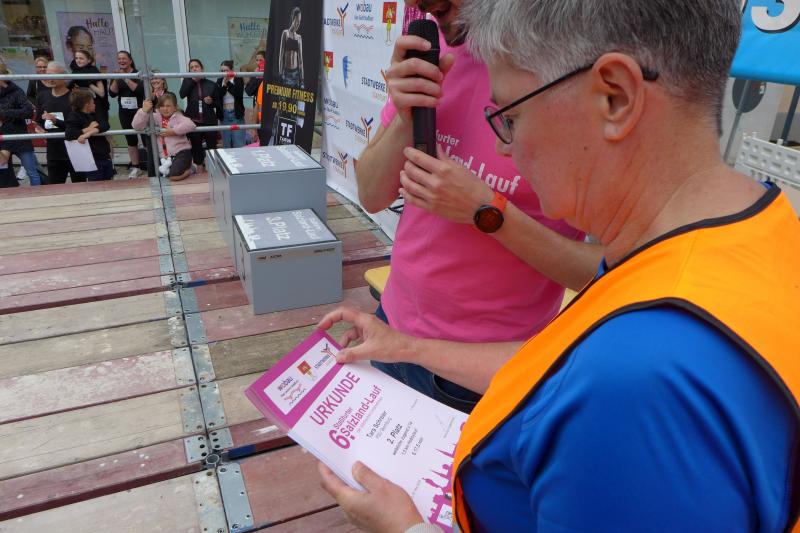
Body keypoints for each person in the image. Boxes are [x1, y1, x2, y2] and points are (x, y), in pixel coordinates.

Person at [317, 0, 800, 531]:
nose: (504, 151)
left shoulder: (630, 385)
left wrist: (406, 529)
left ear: (615, 96)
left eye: (511, 117)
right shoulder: (755, 224)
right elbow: (559, 361)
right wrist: (405, 346)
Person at [352, 0, 597, 413]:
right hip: (391, 328)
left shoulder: (571, 67)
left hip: (480, 370)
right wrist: (405, 119)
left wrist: (486, 212)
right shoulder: (434, 49)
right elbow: (371, 195)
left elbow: (610, 271)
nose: (414, 3)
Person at [34, 61, 80, 184]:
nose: (51, 79)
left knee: (80, 187)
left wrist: (56, 120)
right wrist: (39, 129)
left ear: (64, 76)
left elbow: (78, 125)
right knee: (54, 187)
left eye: (54, 75)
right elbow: (38, 121)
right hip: (54, 151)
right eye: (48, 75)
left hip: (75, 149)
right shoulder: (42, 96)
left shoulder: (75, 97)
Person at [133, 92, 195, 182]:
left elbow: (191, 125)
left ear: (175, 107)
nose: (165, 109)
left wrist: (173, 131)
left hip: (181, 152)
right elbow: (136, 126)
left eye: (168, 106)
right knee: (165, 176)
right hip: (165, 157)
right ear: (158, 107)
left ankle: (191, 169)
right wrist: (143, 111)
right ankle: (186, 168)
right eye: (162, 106)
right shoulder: (154, 117)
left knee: (173, 176)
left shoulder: (178, 116)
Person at [0, 64, 42, 186]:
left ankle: (38, 194)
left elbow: (28, 111)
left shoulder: (16, 91)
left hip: (18, 135)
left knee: (32, 172)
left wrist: (4, 113)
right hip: (3, 136)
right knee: (3, 170)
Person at [109, 50, 145, 179]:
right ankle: (136, 167)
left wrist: (125, 78)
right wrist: (115, 79)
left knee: (146, 138)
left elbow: (140, 90)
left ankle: (153, 163)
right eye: (119, 59)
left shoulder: (137, 74)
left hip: (139, 111)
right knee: (130, 139)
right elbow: (112, 93)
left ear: (130, 60)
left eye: (124, 58)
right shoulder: (117, 75)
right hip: (124, 112)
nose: (121, 61)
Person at [179, 58, 220, 173]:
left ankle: (213, 170)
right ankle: (200, 171)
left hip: (209, 120)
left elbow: (218, 103)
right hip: (193, 120)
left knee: (212, 146)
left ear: (202, 69)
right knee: (196, 147)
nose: (194, 69)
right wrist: (192, 80)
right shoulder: (187, 81)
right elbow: (182, 94)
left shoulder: (211, 84)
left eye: (196, 66)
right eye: (191, 67)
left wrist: (211, 102)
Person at [64, 87, 112, 181]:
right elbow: (69, 134)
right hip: (91, 158)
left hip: (104, 155)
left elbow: (105, 125)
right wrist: (87, 129)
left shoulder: (94, 114)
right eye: (93, 102)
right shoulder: (74, 116)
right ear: (87, 104)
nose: (95, 104)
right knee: (95, 184)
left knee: (108, 182)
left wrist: (89, 133)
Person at [68, 49, 109, 122]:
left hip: (96, 106)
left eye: (81, 58)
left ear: (89, 60)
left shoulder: (93, 71)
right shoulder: (75, 71)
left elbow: (101, 93)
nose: (78, 60)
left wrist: (88, 83)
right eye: (76, 58)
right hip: (81, 106)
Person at [216, 60, 246, 148]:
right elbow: (218, 96)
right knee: (226, 142)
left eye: (226, 70)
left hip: (236, 113)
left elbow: (238, 94)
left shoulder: (238, 79)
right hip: (224, 114)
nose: (224, 73)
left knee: (239, 142)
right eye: (222, 71)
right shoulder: (219, 81)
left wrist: (228, 83)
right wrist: (224, 85)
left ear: (231, 70)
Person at [278, 8, 304, 89]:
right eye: (297, 21)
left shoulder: (299, 37)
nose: (298, 24)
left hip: (296, 74)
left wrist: (302, 79)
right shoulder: (285, 33)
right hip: (286, 73)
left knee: (295, 96)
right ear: (293, 18)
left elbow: (300, 60)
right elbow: (281, 55)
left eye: (299, 22)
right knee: (284, 95)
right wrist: (280, 73)